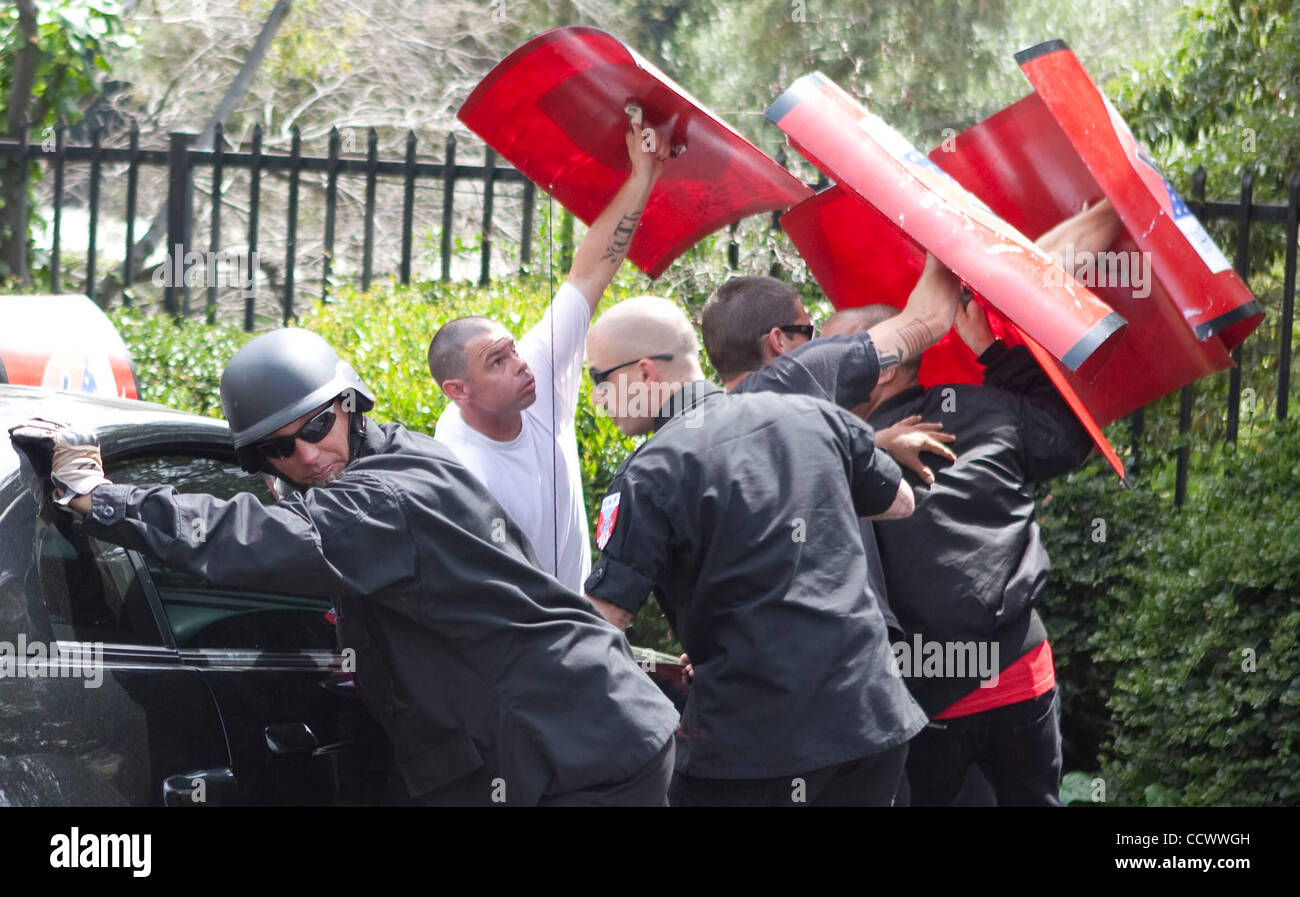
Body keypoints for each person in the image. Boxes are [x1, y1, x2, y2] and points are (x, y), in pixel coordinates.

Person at [8, 328, 680, 806]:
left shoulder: (387, 498)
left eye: (313, 427)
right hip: (554, 740)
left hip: (584, 749)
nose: (303, 455)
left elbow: (251, 539)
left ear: (349, 406)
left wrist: (100, 498)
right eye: (277, 448)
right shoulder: (398, 465)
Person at [578, 281, 959, 806]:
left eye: (599, 379)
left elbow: (602, 623)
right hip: (871, 721)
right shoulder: (813, 414)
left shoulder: (651, 472)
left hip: (753, 747)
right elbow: (901, 501)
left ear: (645, 372)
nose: (596, 397)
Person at [815, 200, 1121, 807]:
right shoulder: (978, 407)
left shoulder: (829, 453)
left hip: (926, 692)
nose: (815, 371)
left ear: (877, 372)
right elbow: (1065, 434)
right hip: (1016, 671)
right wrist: (992, 351)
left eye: (832, 356)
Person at [427, 116, 668, 593]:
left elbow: (587, 275)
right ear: (458, 391)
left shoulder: (530, 375)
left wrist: (644, 174)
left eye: (513, 350)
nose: (520, 364)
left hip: (577, 625)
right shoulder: (460, 471)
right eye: (497, 362)